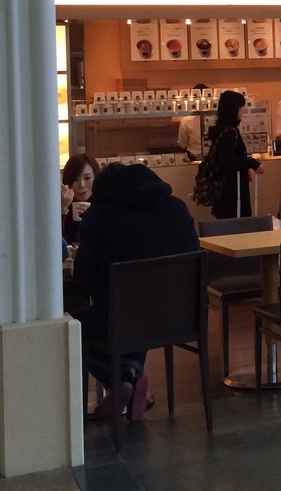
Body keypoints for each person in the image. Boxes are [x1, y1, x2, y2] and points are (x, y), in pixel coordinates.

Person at [71, 162, 200, 421]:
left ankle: (124, 378)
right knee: (137, 312)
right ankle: (129, 376)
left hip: (124, 320)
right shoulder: (177, 207)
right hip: (181, 317)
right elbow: (194, 256)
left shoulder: (100, 215)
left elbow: (82, 277)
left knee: (71, 325)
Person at [208, 89, 262, 219]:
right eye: (240, 108)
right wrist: (251, 163)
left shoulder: (220, 130)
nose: (243, 111)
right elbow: (227, 160)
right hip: (232, 189)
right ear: (233, 110)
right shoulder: (230, 132)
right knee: (237, 223)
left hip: (224, 187)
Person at [60, 153, 100, 244]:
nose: (81, 185)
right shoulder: (58, 204)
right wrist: (63, 209)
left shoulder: (103, 204)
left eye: (87, 178)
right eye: (75, 179)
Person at [176, 83, 209, 160]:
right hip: (214, 159)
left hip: (193, 157)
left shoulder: (185, 121)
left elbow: (183, 144)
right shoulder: (217, 119)